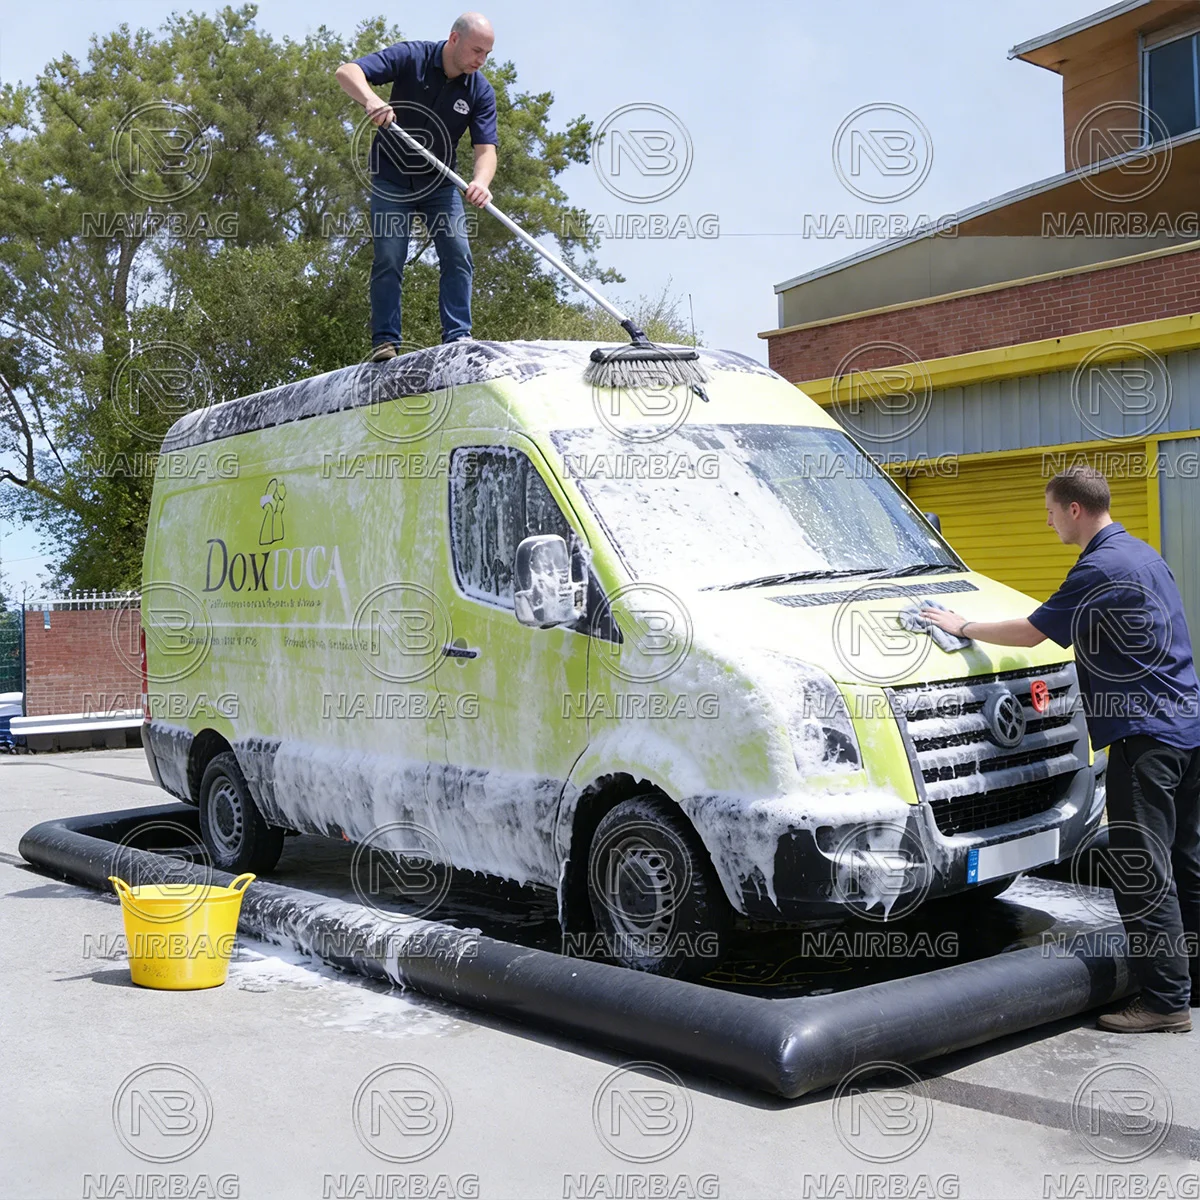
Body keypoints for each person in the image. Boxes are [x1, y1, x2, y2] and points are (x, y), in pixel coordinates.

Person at [922, 465, 1200, 1033]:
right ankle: (1191, 982)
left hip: (1145, 738)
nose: (1047, 523)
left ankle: (1166, 1003)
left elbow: (1032, 632)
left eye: (1050, 512)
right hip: (1188, 729)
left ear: (1075, 509)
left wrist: (964, 624)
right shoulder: (1143, 555)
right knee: (1187, 861)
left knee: (1143, 869)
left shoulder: (1099, 567)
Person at [336, 13, 498, 361]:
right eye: (476, 50)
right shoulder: (412, 56)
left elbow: (486, 150)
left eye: (486, 54)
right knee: (390, 257)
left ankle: (457, 338)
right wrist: (370, 99)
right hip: (391, 179)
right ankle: (385, 342)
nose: (480, 60)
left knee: (457, 254)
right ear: (454, 39)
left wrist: (481, 182)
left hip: (440, 185)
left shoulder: (480, 90)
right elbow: (347, 72)